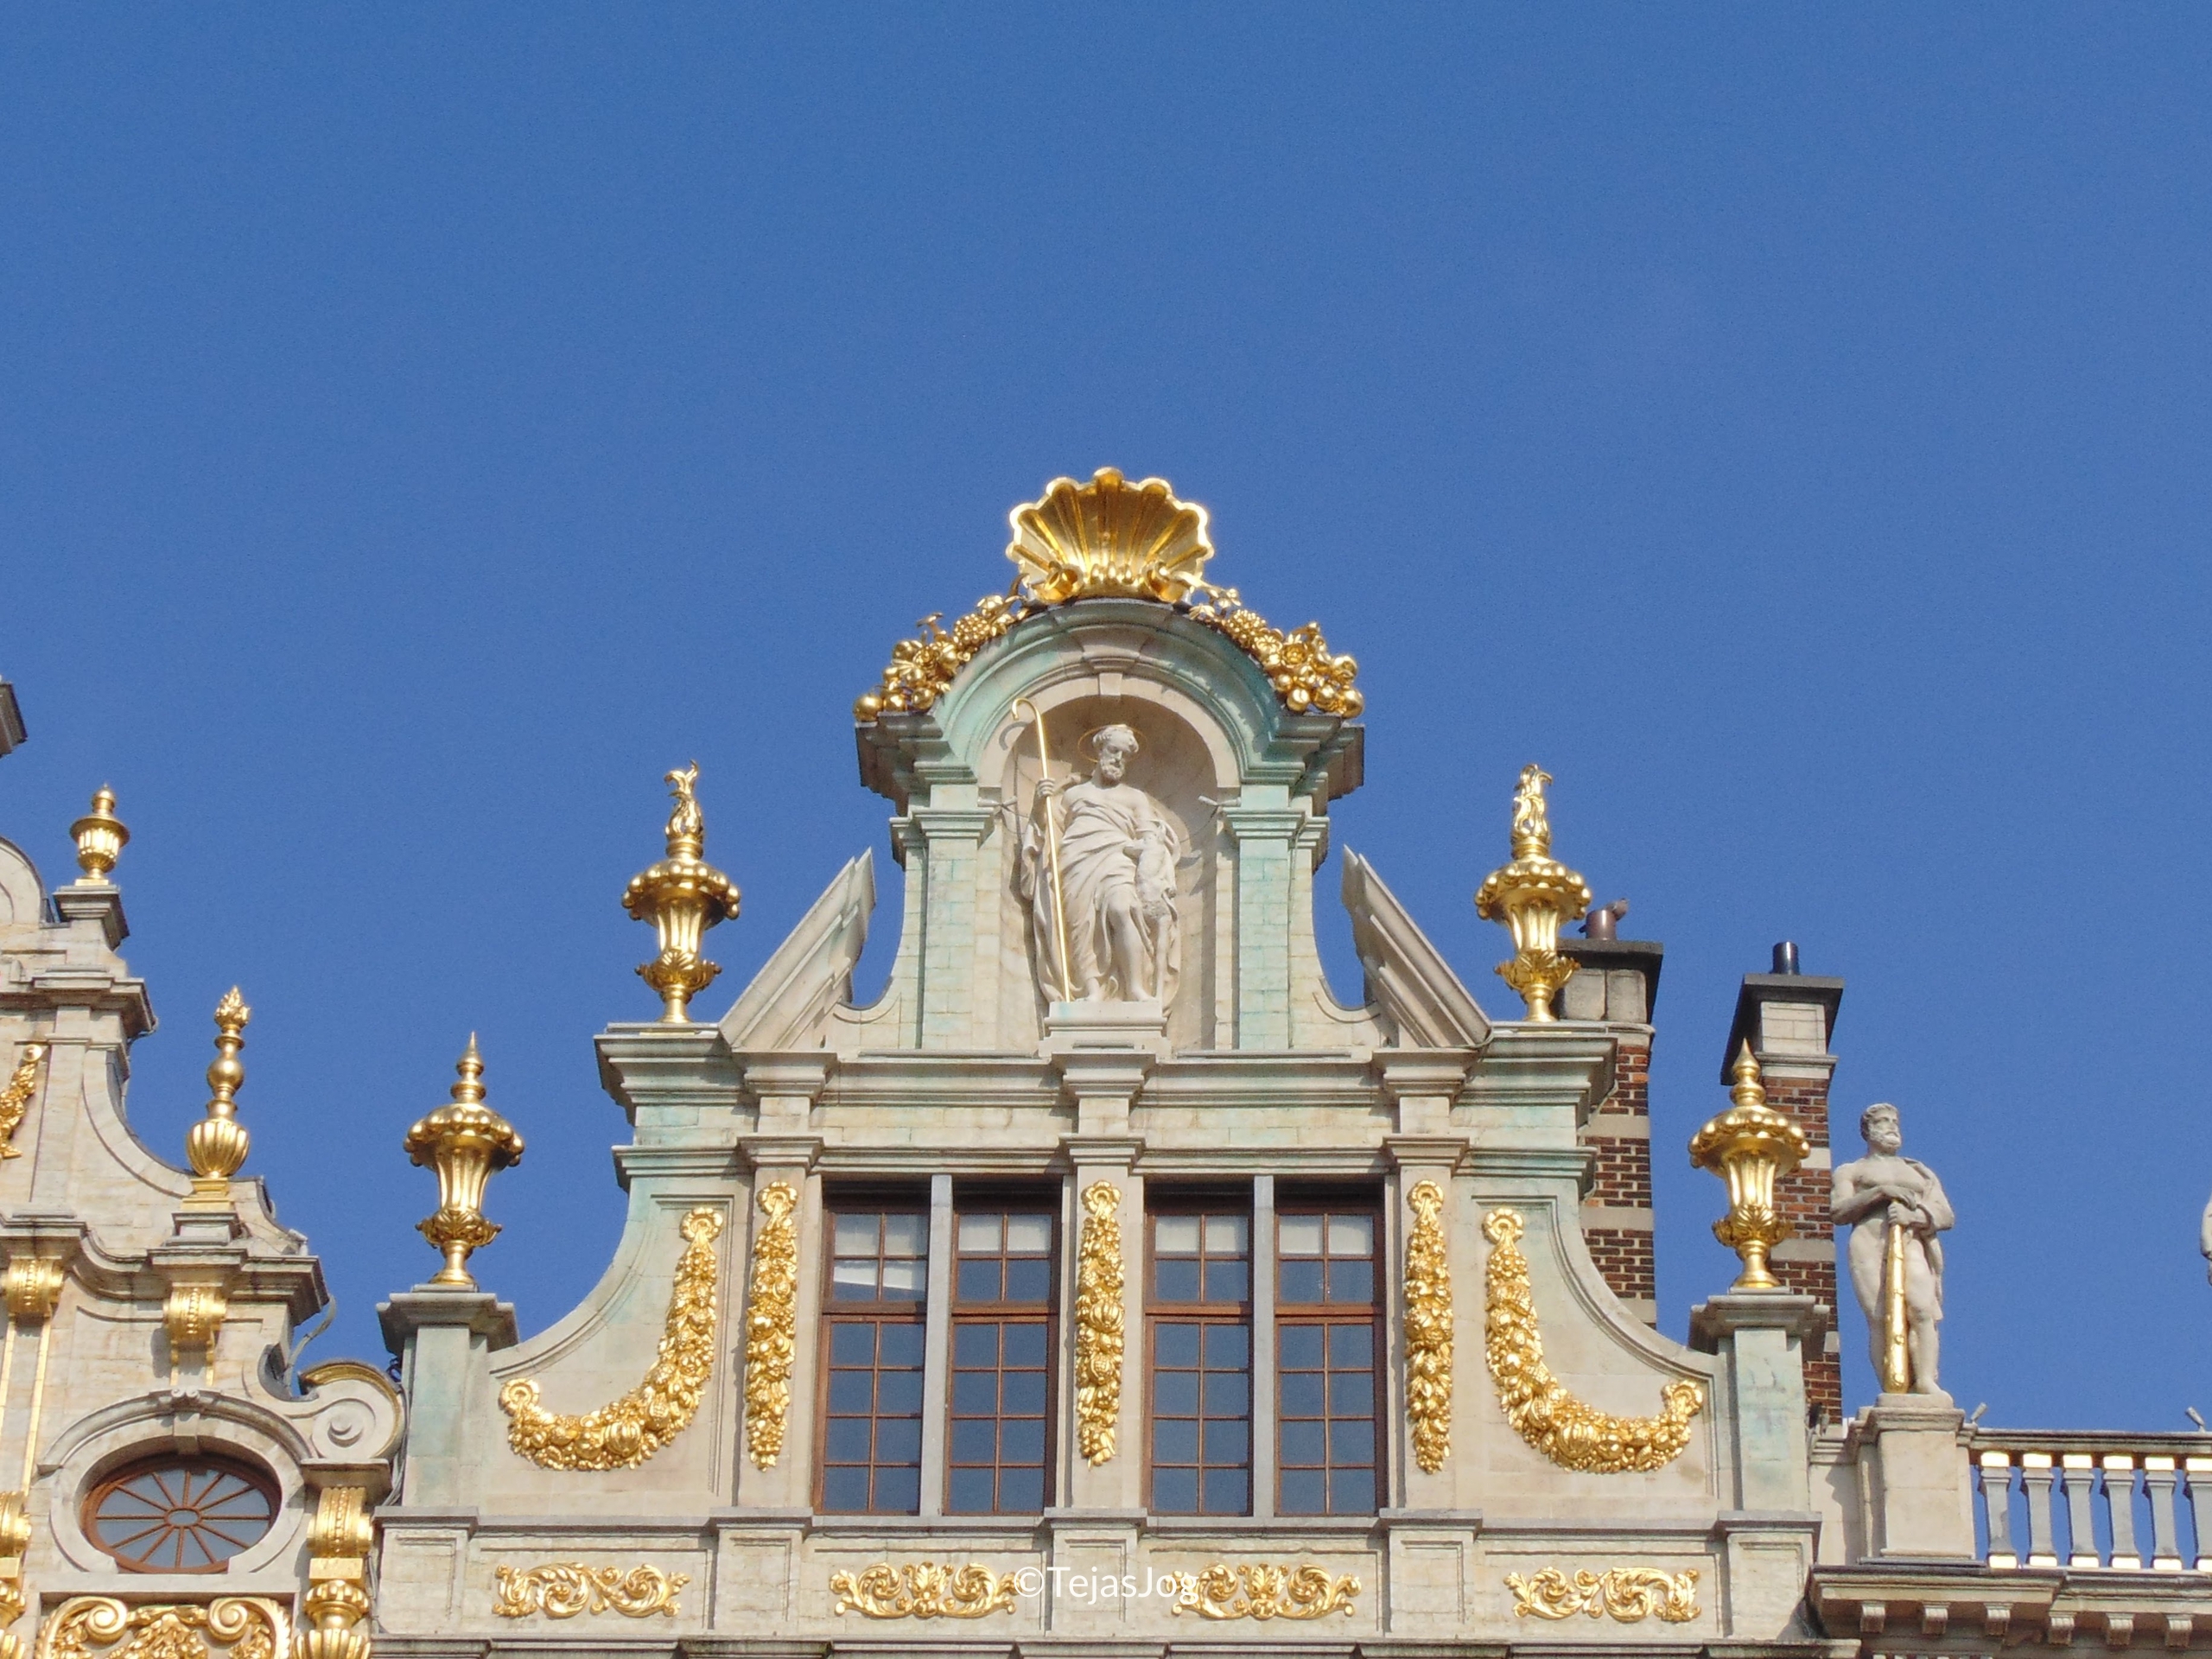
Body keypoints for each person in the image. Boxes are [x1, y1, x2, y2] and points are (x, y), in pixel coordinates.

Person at [1017, 723, 1180, 1003]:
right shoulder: (1072, 795)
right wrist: (1038, 805)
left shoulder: (1134, 797)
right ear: (1099, 752)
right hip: (1075, 862)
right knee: (1080, 925)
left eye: (1125, 755)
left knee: (1123, 909)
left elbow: (1150, 839)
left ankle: (1136, 988)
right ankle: (1092, 990)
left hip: (1118, 859)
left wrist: (1148, 858)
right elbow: (1048, 834)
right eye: (1114, 751)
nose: (1118, 759)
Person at [1831, 1103, 1954, 1395]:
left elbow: (1945, 1214)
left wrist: (1915, 1216)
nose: (1892, 1126)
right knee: (1881, 1317)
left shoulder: (1919, 1172)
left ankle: (1924, 1380)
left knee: (1922, 1309)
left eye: (1895, 1121)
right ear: (1868, 1131)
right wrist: (1880, 1193)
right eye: (1883, 1121)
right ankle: (1892, 1386)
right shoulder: (1852, 1171)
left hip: (1911, 1240)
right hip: (1869, 1244)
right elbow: (1838, 1211)